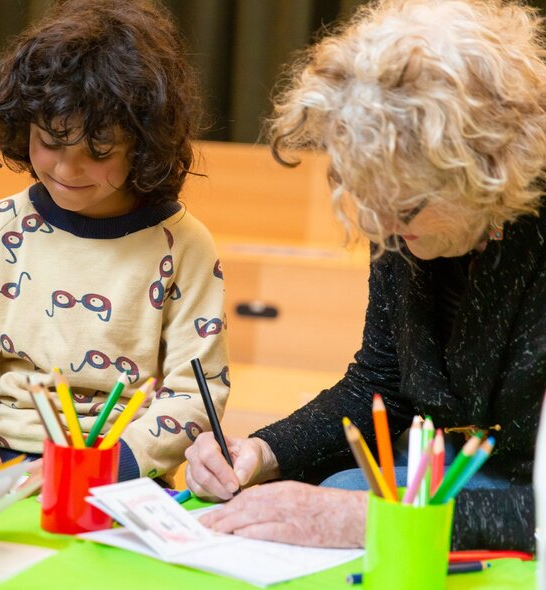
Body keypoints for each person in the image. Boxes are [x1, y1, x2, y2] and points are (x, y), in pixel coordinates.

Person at [185, 0, 546, 552]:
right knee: (335, 489)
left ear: (489, 168)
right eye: (364, 199)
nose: (381, 229)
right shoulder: (398, 194)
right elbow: (380, 385)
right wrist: (263, 452)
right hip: (455, 473)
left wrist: (371, 519)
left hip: (528, 494)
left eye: (405, 208)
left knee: (348, 499)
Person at [0, 0, 229, 488]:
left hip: (119, 476)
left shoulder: (183, 245)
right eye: (52, 141)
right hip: (0, 463)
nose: (67, 170)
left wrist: (109, 468)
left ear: (145, 142)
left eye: (98, 150)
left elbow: (196, 394)